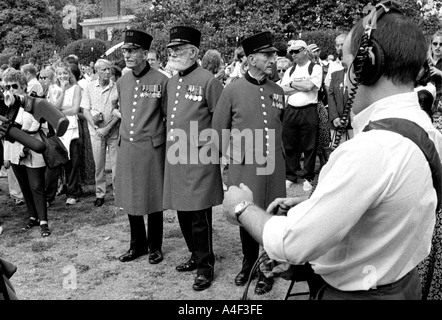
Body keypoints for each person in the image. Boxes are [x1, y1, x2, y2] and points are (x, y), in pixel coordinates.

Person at [222, 2, 441, 300]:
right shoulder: (427, 131)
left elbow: (292, 243)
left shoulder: (372, 149)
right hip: (401, 283)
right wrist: (315, 204)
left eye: (349, 61)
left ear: (368, 65)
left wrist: (241, 207)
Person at [212, 31, 286, 295]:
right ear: (251, 58)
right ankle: (248, 264)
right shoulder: (232, 90)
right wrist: (232, 161)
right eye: (267, 55)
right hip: (245, 165)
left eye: (274, 54)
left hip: (274, 165)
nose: (273, 59)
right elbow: (219, 129)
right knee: (247, 213)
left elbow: (282, 126)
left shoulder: (277, 90)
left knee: (272, 215)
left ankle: (267, 268)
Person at [163, 26, 224, 291]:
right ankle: (194, 254)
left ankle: (205, 267)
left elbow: (220, 120)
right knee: (183, 213)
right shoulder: (172, 81)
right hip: (177, 158)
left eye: (178, 49)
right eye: (171, 50)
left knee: (199, 215)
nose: (173, 53)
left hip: (200, 158)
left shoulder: (209, 81)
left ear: (193, 52)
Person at [115, 29, 168, 267]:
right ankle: (137, 244)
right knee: (130, 196)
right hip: (127, 146)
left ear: (145, 53)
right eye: (125, 51)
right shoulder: (122, 81)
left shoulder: (161, 80)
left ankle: (155, 247)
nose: (127, 55)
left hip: (151, 147)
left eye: (132, 51)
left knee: (153, 198)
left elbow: (168, 116)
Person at [1, 69, 50, 237]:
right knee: (24, 186)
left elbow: (35, 125)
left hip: (32, 146)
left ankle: (43, 221)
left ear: (23, 86)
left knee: (36, 185)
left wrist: (26, 147)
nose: (11, 89)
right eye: (7, 86)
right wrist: (6, 156)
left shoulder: (32, 101)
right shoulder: (6, 104)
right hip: (13, 148)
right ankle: (32, 216)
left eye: (14, 86)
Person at [279, 40, 323, 191]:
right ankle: (290, 175)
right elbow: (282, 89)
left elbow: (310, 86)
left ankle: (308, 177)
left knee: (310, 145)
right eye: (291, 52)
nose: (293, 54)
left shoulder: (315, 68)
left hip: (308, 110)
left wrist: (292, 85)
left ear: (304, 51)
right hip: (291, 110)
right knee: (289, 144)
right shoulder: (290, 70)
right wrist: (298, 86)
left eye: (296, 51)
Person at [80, 59, 119, 207]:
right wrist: (96, 129)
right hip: (96, 132)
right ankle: (100, 193)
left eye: (109, 69)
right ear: (97, 71)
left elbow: (120, 110)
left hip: (113, 130)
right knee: (99, 164)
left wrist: (107, 128)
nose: (107, 72)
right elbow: (85, 109)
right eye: (104, 69)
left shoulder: (117, 87)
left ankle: (118, 192)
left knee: (116, 164)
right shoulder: (89, 88)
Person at [45, 62, 83, 206]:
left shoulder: (76, 88)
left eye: (65, 73)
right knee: (54, 162)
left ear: (69, 74)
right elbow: (53, 107)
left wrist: (59, 111)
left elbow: (74, 110)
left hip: (71, 128)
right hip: (57, 129)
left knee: (73, 162)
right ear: (56, 75)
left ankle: (72, 192)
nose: (63, 76)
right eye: (60, 73)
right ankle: (49, 196)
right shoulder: (53, 88)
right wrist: (62, 90)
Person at [328, 67, 353, 147]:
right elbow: (330, 96)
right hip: (336, 121)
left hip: (351, 123)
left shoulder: (360, 75)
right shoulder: (335, 75)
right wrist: (335, 117)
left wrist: (347, 117)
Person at [428, 31, 442, 115]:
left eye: (441, 44)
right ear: (431, 45)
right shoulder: (425, 61)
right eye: (435, 44)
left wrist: (440, 73)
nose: (438, 47)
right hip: (426, 99)